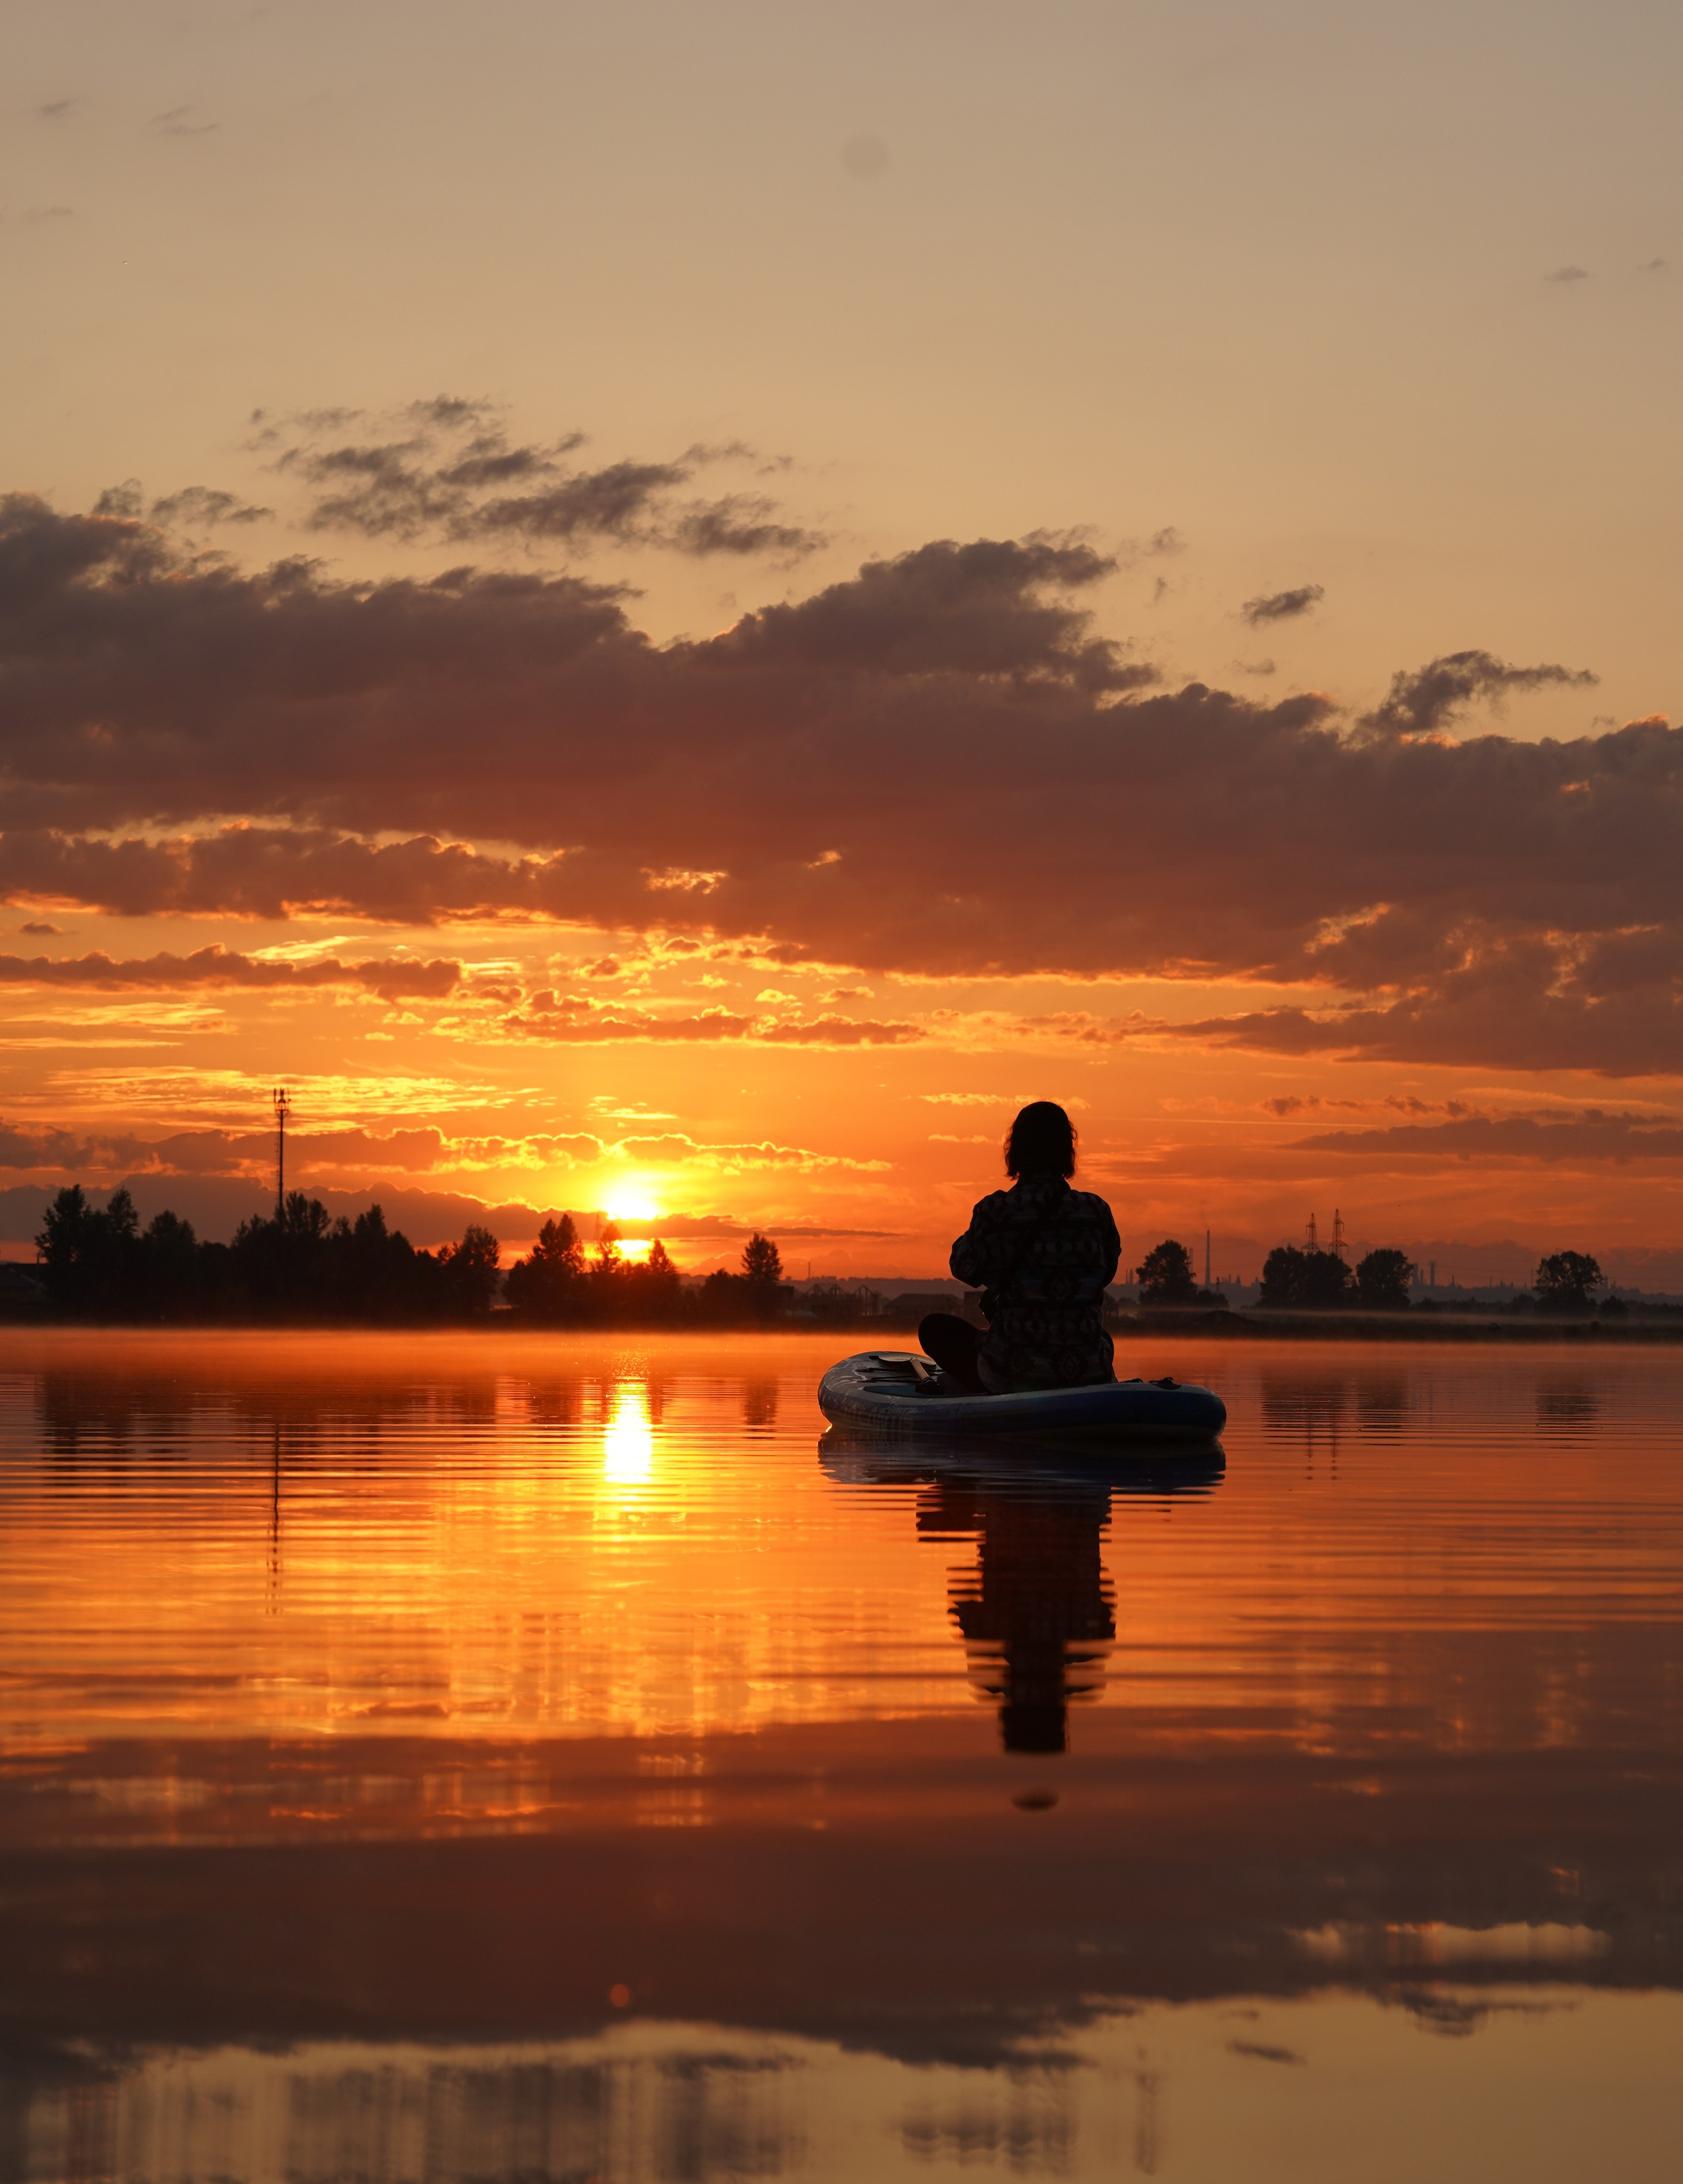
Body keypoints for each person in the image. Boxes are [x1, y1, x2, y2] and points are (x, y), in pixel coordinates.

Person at [919, 1101, 1120, 1394]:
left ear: (1014, 1151)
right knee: (1103, 1338)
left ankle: (981, 1388)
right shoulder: (1096, 1211)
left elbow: (963, 1268)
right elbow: (1106, 1273)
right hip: (1087, 1372)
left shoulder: (995, 1211)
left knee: (933, 1328)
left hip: (1011, 1371)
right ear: (1068, 1151)